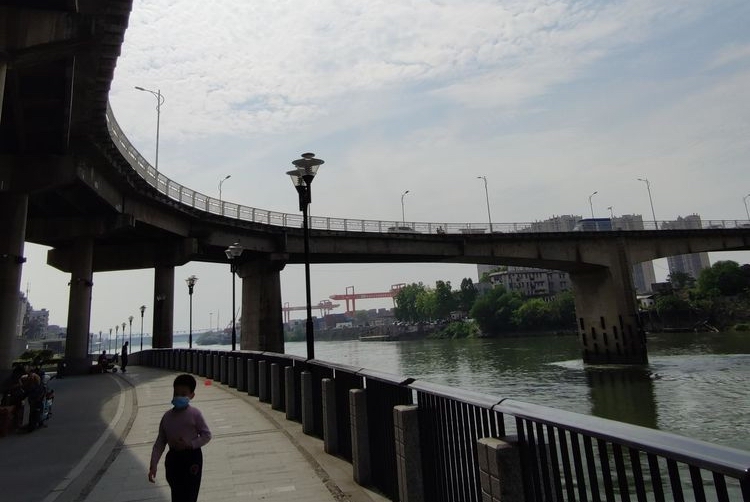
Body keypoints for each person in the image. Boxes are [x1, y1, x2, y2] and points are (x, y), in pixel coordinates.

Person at [149, 374, 211, 502]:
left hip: (192, 458)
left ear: (192, 395)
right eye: (176, 393)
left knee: (190, 493)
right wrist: (153, 465)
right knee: (176, 492)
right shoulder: (167, 417)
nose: (178, 397)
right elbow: (160, 443)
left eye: (183, 394)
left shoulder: (194, 414)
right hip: (173, 458)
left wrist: (191, 444)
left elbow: (206, 435)